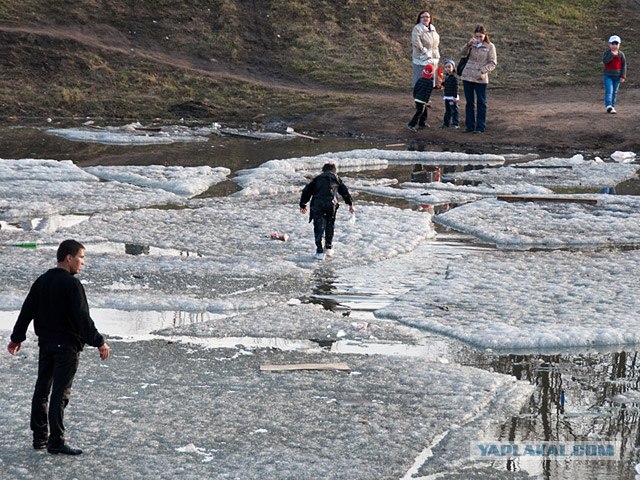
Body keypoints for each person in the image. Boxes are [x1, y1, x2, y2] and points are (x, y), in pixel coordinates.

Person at [7, 239, 110, 455]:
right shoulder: (72, 285)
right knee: (59, 394)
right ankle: (56, 441)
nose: (82, 262)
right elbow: (83, 318)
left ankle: (39, 438)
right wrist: (99, 341)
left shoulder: (42, 281)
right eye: (81, 257)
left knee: (42, 389)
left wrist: (17, 337)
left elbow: (27, 311)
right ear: (68, 258)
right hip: (67, 348)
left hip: (46, 345)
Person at [299, 163, 355, 260]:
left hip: (318, 204)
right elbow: (345, 192)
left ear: (323, 170)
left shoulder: (317, 179)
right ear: (334, 170)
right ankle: (328, 248)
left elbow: (306, 191)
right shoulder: (336, 178)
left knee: (318, 227)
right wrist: (350, 204)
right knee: (330, 225)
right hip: (331, 205)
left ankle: (320, 252)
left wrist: (303, 204)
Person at [460, 25, 497, 133]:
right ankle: (469, 126)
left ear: (485, 35)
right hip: (467, 76)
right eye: (477, 36)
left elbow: (493, 63)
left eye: (480, 36)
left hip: (480, 78)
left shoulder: (490, 46)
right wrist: (468, 45)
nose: (478, 38)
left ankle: (480, 126)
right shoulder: (471, 44)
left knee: (481, 102)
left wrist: (482, 71)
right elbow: (462, 53)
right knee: (469, 102)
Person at [411, 10, 440, 87]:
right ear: (419, 19)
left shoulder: (433, 29)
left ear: (430, 18)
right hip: (421, 58)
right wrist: (424, 51)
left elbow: (435, 42)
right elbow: (416, 41)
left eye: (427, 17)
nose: (425, 18)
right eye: (423, 17)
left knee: (430, 81)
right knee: (421, 80)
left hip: (432, 59)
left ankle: (426, 98)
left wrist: (436, 51)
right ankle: (419, 98)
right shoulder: (417, 28)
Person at [603, 35, 627, 114]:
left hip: (617, 77)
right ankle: (608, 105)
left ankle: (612, 106)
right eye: (612, 44)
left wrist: (623, 76)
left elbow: (624, 65)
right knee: (609, 91)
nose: (614, 46)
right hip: (608, 76)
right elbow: (605, 61)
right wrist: (612, 55)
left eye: (616, 44)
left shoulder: (621, 54)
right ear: (609, 45)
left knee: (614, 92)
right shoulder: (607, 53)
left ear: (619, 45)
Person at [407, 64, 434, 132]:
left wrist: (415, 97)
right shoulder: (430, 83)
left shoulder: (419, 80)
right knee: (419, 112)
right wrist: (427, 101)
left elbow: (415, 89)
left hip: (417, 99)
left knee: (424, 111)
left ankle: (422, 123)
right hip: (422, 100)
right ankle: (411, 124)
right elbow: (428, 93)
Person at [440, 59, 460, 128]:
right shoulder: (447, 77)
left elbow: (455, 87)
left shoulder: (454, 77)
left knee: (454, 110)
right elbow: (446, 84)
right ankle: (446, 123)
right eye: (446, 67)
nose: (447, 69)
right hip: (447, 96)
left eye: (449, 67)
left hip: (452, 97)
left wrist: (455, 96)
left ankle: (455, 124)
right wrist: (442, 83)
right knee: (447, 110)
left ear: (453, 68)